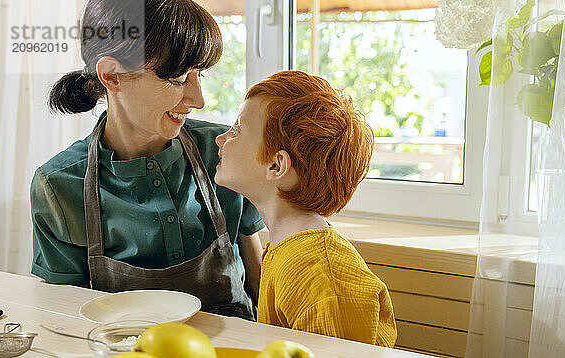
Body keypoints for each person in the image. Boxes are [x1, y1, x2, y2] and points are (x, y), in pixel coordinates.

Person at [30, 0, 264, 320]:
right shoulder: (58, 187)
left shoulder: (227, 151)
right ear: (112, 76)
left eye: (200, 74)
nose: (198, 99)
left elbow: (261, 283)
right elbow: (64, 319)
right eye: (178, 78)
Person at [214, 71, 398, 346]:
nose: (220, 139)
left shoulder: (321, 277)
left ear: (276, 166)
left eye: (237, 130)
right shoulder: (289, 249)